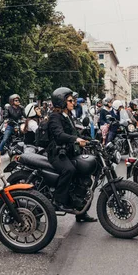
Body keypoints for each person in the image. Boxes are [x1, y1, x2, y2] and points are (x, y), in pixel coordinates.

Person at [47, 87, 96, 223]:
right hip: (56, 154)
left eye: (73, 100)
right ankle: (58, 200)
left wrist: (91, 140)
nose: (73, 103)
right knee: (69, 170)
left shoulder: (68, 116)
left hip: (68, 152)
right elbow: (59, 135)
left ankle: (81, 211)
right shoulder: (54, 117)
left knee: (83, 175)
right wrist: (75, 140)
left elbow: (74, 133)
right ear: (61, 101)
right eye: (69, 100)